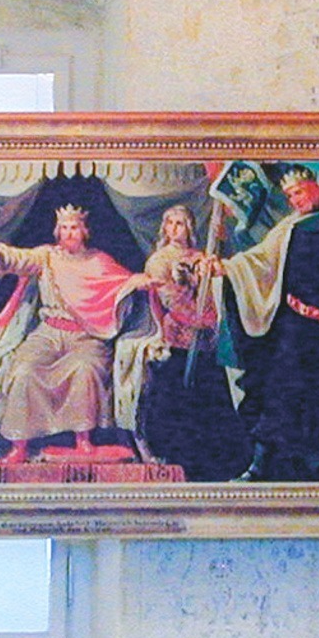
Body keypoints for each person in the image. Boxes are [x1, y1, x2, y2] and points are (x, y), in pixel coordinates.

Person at [204, 165, 319, 482]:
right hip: (295, 323)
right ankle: (259, 466)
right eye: (289, 196)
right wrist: (227, 268)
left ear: (315, 186)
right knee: (278, 390)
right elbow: (259, 259)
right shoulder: (289, 227)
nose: (294, 201)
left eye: (298, 192)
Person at [0, 204, 157, 474]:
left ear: (84, 232)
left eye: (74, 228)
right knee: (23, 370)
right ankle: (19, 446)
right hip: (47, 333)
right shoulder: (46, 257)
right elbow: (15, 258)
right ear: (57, 232)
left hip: (85, 335)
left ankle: (83, 441)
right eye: (64, 228)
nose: (69, 233)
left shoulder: (99, 262)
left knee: (85, 369)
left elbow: (122, 283)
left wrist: (137, 282)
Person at [118, 204, 249, 480]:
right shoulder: (159, 260)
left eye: (180, 223)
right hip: (177, 334)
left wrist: (210, 311)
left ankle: (212, 459)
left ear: (189, 228)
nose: (175, 229)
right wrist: (192, 317)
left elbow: (214, 293)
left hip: (205, 337)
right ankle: (176, 454)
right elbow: (169, 298)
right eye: (171, 223)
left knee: (209, 394)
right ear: (164, 228)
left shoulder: (202, 257)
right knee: (176, 393)